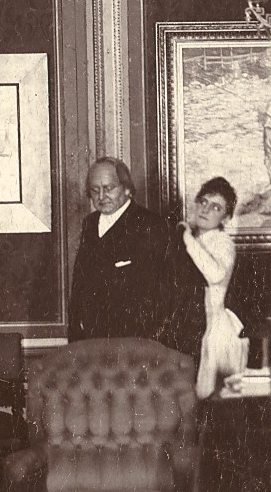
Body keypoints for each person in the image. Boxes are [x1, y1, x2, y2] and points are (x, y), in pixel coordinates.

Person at [66, 156, 204, 356]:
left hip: (139, 351)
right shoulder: (90, 224)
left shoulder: (153, 227)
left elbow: (177, 293)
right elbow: (79, 288)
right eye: (95, 190)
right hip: (93, 348)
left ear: (127, 189)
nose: (101, 196)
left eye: (109, 188)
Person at [182, 176, 246, 398]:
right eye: (203, 202)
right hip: (192, 324)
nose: (206, 209)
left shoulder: (222, 242)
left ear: (225, 218)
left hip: (215, 329)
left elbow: (216, 274)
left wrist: (187, 239)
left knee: (210, 395)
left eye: (216, 207)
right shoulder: (194, 237)